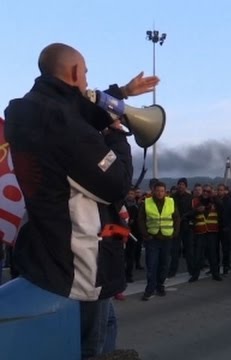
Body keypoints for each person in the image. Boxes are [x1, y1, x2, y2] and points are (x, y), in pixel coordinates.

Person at [4, 43, 159, 359]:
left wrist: (122, 92)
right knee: (89, 348)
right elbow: (117, 184)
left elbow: (75, 106)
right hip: (79, 263)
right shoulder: (64, 126)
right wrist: (116, 134)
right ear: (75, 72)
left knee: (101, 328)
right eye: (86, 73)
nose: (88, 81)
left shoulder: (31, 110)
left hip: (46, 248)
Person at [137, 181, 180, 300]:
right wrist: (145, 234)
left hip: (167, 238)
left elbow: (176, 218)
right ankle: (149, 289)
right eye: (157, 191)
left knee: (164, 264)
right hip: (152, 239)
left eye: (162, 191)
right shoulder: (147, 202)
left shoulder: (170, 202)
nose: (160, 193)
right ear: (153, 191)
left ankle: (160, 286)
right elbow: (141, 219)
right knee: (151, 265)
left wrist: (175, 233)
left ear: (165, 192)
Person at [190, 184, 223, 282]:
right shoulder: (195, 201)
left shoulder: (215, 201)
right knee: (198, 255)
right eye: (204, 191)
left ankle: (215, 274)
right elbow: (189, 214)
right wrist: (196, 211)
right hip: (200, 231)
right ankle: (195, 275)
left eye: (208, 191)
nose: (205, 193)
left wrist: (214, 197)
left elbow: (222, 207)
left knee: (213, 254)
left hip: (212, 231)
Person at [169, 177, 195, 278]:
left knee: (189, 250)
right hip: (175, 227)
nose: (181, 186)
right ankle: (172, 271)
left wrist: (185, 216)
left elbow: (194, 211)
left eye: (183, 185)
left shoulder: (190, 197)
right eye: (179, 184)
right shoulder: (171, 197)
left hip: (187, 227)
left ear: (186, 186)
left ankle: (191, 270)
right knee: (174, 251)